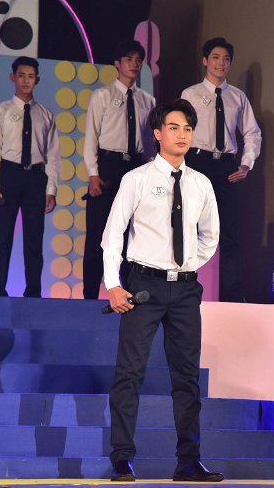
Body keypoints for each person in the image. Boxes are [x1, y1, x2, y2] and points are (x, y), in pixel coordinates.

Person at [102, 99, 223, 482]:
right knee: (130, 374)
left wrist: (185, 265)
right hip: (144, 287)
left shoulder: (200, 183)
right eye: (174, 127)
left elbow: (210, 236)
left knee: (187, 378)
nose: (182, 134)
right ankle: (122, 459)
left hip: (185, 290)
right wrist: (114, 284)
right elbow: (113, 234)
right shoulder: (137, 179)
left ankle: (188, 461)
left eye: (187, 128)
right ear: (157, 133)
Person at [181, 37, 262, 302]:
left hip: (226, 165)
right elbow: (181, 131)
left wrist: (246, 164)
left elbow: (252, 133)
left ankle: (234, 296)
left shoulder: (237, 97)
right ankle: (184, 290)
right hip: (197, 162)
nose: (221, 63)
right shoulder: (190, 94)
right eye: (215, 57)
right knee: (190, 227)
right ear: (205, 61)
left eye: (226, 59)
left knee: (229, 233)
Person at [83, 40, 156, 299]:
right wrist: (93, 173)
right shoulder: (102, 96)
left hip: (136, 166)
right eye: (128, 59)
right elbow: (91, 137)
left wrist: (151, 172)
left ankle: (127, 294)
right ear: (117, 63)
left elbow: (150, 141)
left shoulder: (148, 100)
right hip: (108, 166)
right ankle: (90, 297)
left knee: (131, 236)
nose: (134, 64)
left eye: (138, 60)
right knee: (97, 236)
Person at [0, 56, 59, 297]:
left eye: (31, 76)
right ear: (13, 77)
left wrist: (51, 190)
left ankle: (33, 293)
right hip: (9, 176)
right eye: (21, 75)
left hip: (35, 178)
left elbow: (53, 155)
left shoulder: (45, 114)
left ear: (37, 80)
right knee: (2, 238)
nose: (26, 80)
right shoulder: (1, 111)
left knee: (34, 240)